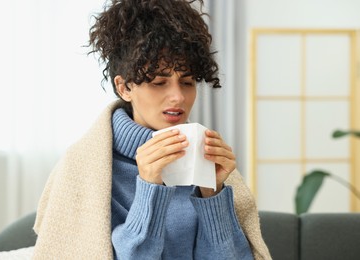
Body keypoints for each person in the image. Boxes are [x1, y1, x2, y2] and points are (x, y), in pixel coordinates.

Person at [32, 0, 271, 259]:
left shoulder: (205, 156)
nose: (178, 97)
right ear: (124, 87)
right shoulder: (86, 168)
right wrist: (149, 187)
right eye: (159, 82)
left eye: (187, 82)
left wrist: (212, 193)